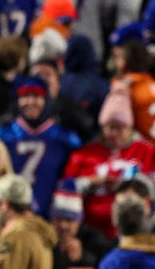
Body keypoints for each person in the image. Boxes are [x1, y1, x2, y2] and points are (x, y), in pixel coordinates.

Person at [63, 82, 155, 239]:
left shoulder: (146, 151)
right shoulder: (84, 154)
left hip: (137, 231)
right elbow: (65, 189)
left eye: (120, 128)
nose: (114, 133)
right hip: (91, 232)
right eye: (110, 127)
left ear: (130, 128)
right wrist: (91, 182)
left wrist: (129, 185)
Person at [0, 76, 81, 218]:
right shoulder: (3, 135)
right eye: (25, 96)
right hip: (11, 211)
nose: (30, 102)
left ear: (46, 100)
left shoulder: (64, 138)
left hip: (52, 213)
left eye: (36, 96)